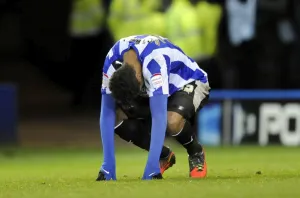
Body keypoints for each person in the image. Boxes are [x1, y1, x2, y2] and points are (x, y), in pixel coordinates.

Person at [97, 35, 210, 180]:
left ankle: (196, 152)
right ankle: (164, 156)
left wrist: (152, 168)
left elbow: (159, 116)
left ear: (139, 77)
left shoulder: (155, 62)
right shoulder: (112, 60)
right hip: (154, 86)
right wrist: (107, 166)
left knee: (172, 121)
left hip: (188, 81)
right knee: (115, 116)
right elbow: (106, 112)